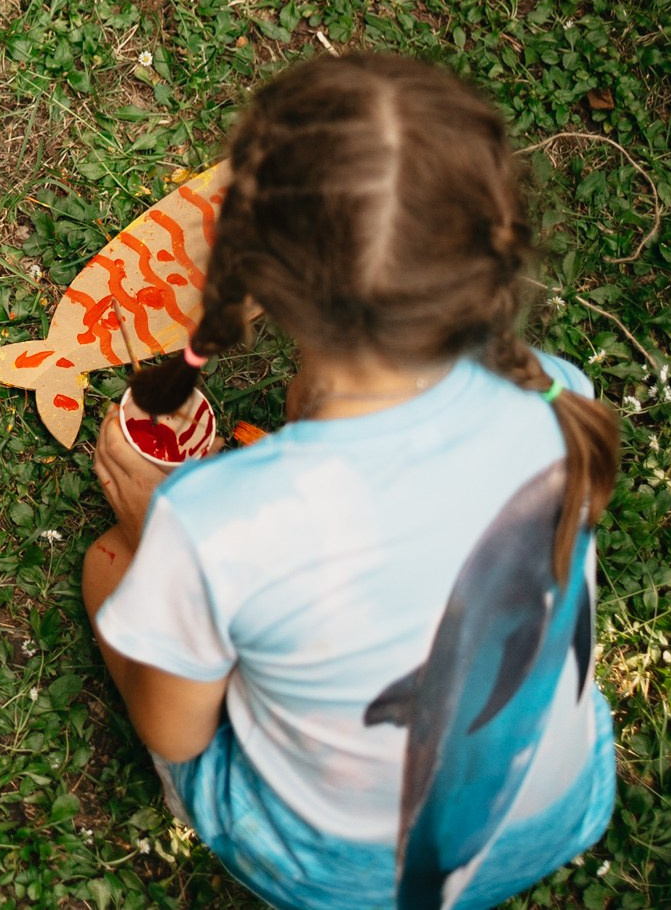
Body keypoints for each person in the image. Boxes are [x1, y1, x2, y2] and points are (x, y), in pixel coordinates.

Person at [80, 53, 619, 909]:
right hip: (562, 810)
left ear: (261, 275)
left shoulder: (216, 521)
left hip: (343, 877)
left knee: (110, 566)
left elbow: (171, 729)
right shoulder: (558, 394)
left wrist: (155, 526)